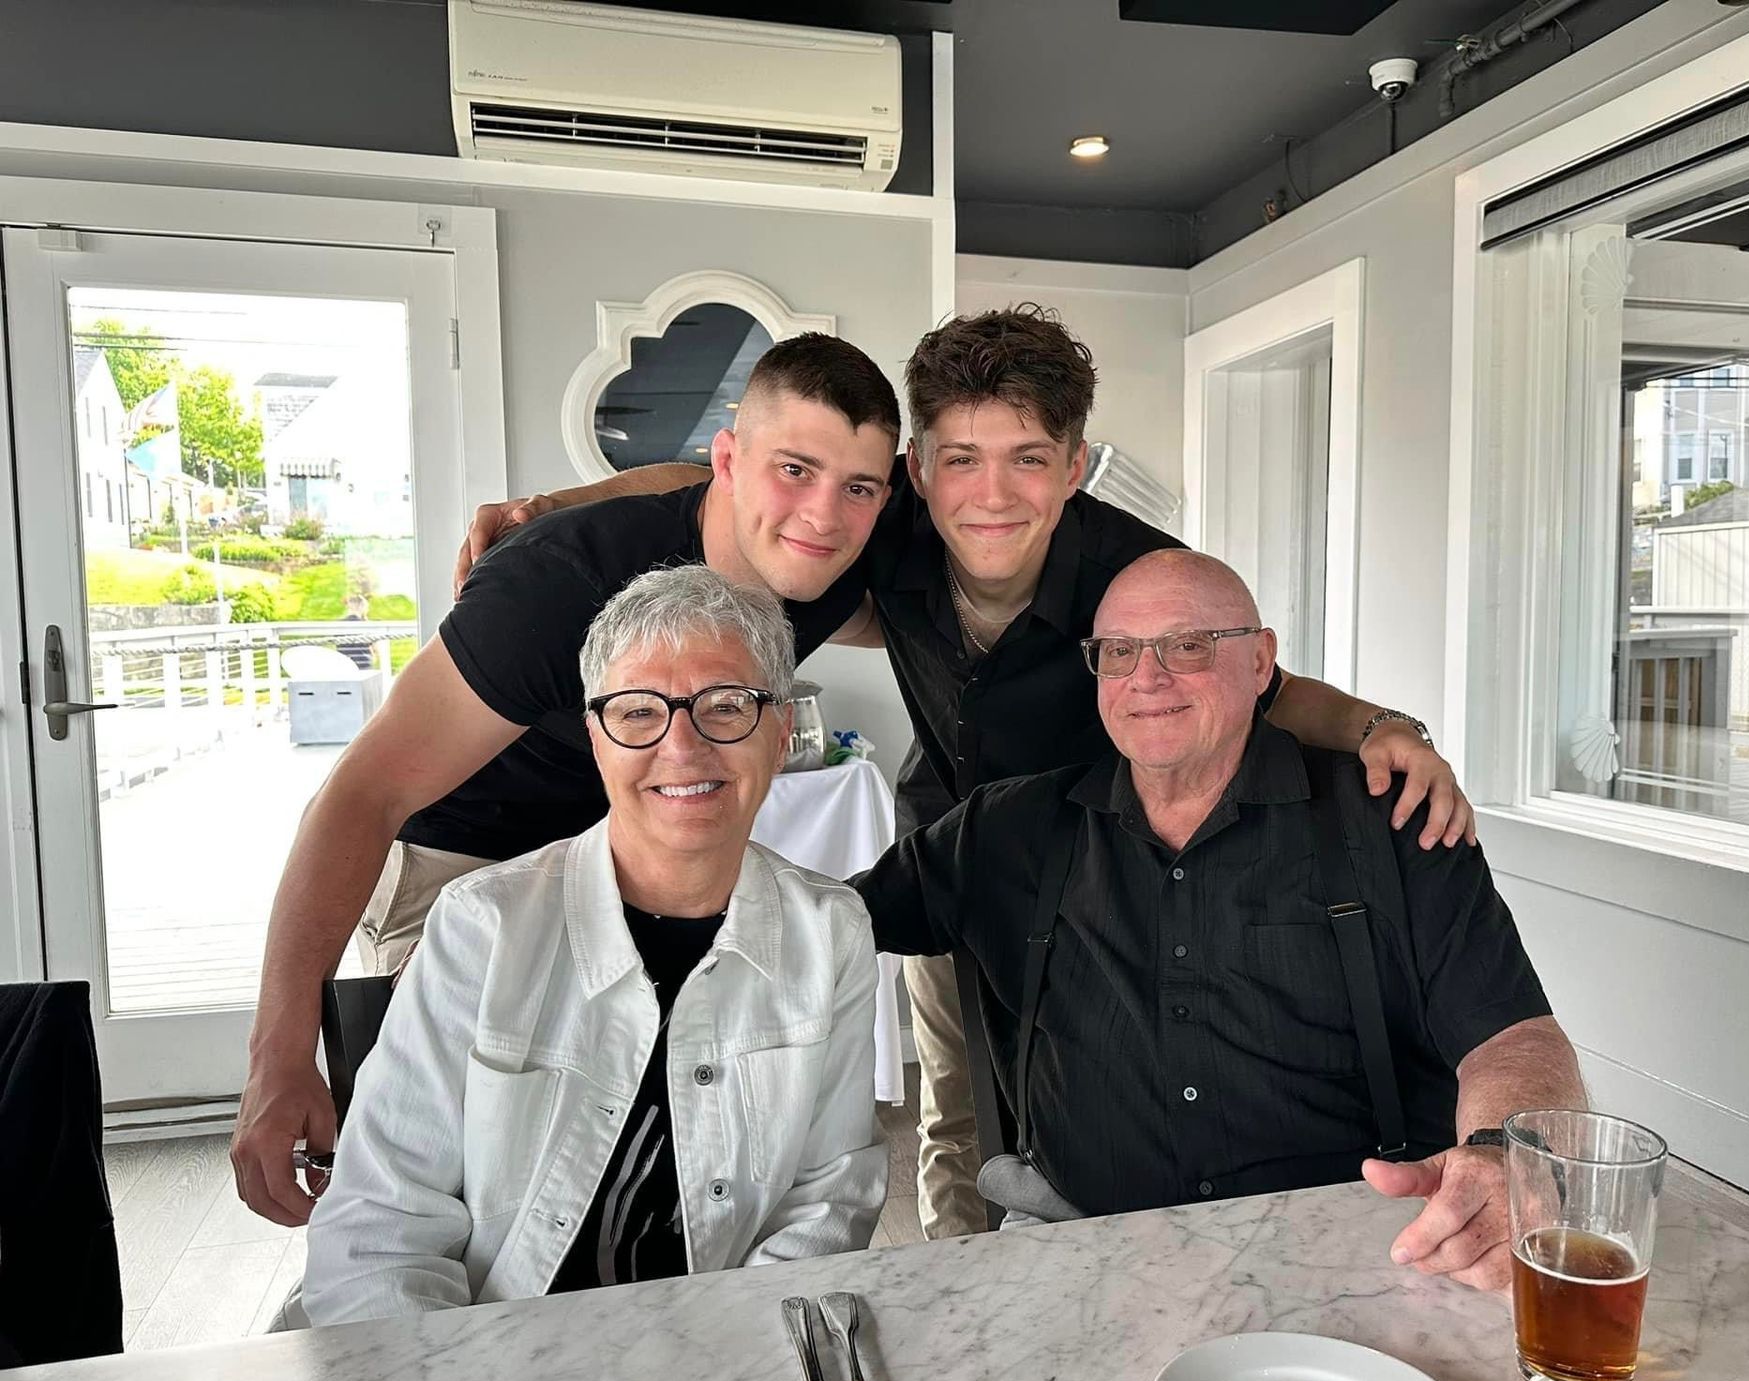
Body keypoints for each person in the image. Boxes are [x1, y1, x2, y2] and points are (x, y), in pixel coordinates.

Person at [457, 307, 1479, 1241]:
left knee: (1100, 1103)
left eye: (1029, 459)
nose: (991, 494)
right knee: (953, 1102)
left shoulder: (1134, 574)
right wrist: (555, 503)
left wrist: (1383, 724)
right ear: (917, 467)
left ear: (1075, 466)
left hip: (1104, 876)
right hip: (957, 854)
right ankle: (962, 1281)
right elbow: (719, 480)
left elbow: (1258, 680)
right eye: (960, 460)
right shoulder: (882, 532)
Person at [232, 334, 899, 1225]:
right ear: (732, 461)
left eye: (857, 486)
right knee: (462, 1185)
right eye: (794, 471)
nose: (823, 515)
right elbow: (363, 795)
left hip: (618, 862)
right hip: (456, 862)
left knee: (646, 1156)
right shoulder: (554, 583)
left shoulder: (818, 569)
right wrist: (279, 1058)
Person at [855, 550, 1583, 1292]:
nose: (1147, 678)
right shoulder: (1011, 829)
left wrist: (1499, 1154)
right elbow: (826, 921)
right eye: (1119, 652)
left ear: (1261, 662)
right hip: (1082, 1245)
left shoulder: (1389, 821)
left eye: (1188, 644)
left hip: (1360, 1245)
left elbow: (1514, 1038)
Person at [300, 566, 886, 1325]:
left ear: (779, 737)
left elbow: (829, 1199)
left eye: (726, 706)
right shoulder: (484, 927)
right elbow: (380, 1232)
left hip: (730, 1357)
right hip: (489, 1359)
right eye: (639, 712)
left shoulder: (830, 931)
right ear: (596, 740)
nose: (683, 746)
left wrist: (737, 1361)